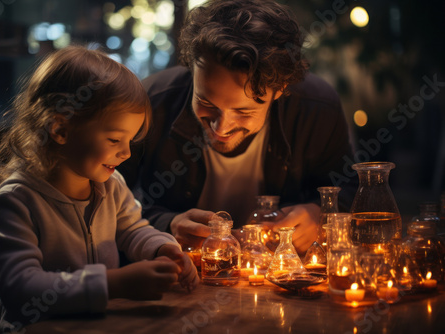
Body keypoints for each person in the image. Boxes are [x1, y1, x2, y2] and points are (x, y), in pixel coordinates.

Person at [0, 45, 198, 334]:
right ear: (60, 130)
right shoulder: (16, 201)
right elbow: (20, 290)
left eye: (130, 141)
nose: (126, 154)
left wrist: (163, 248)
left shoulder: (111, 186)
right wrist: (113, 284)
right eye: (114, 140)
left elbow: (133, 229)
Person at [118, 0, 357, 255]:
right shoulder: (152, 103)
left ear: (281, 89)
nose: (221, 127)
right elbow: (102, 199)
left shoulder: (316, 109)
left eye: (244, 111)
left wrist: (321, 215)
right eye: (205, 102)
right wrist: (166, 224)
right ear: (192, 68)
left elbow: (353, 192)